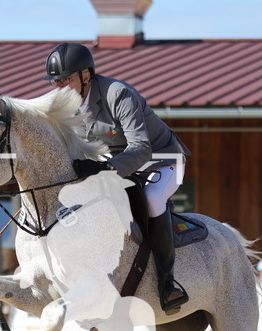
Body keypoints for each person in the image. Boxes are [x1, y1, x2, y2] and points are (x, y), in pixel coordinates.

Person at [44, 42, 192, 312]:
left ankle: (167, 282)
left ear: (86, 75)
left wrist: (104, 169)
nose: (59, 87)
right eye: (56, 81)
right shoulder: (65, 106)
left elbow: (140, 148)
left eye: (66, 79)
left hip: (160, 159)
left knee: (151, 197)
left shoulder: (118, 94)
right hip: (113, 162)